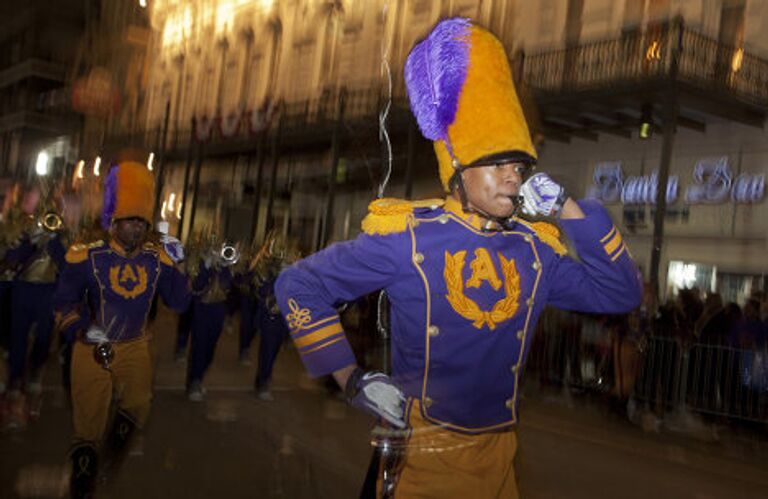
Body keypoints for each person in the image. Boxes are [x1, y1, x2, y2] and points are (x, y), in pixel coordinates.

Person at [275, 18, 642, 498]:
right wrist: (351, 378)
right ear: (459, 168)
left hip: (501, 458)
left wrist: (569, 209)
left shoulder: (536, 250)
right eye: (496, 162)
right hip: (425, 458)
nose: (512, 176)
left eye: (519, 165)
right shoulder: (406, 236)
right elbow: (298, 285)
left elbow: (621, 292)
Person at [53, 159, 189, 498]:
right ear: (114, 221)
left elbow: (181, 304)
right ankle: (82, 483)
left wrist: (181, 267)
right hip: (91, 346)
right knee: (88, 421)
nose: (137, 229)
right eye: (130, 222)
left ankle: (113, 453)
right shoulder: (86, 255)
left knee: (140, 403)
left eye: (142, 222)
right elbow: (63, 305)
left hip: (135, 345)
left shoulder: (158, 258)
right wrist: (81, 331)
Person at [186, 244, 233, 401]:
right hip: (201, 309)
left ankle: (199, 376)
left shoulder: (223, 266)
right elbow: (197, 286)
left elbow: (228, 286)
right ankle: (195, 381)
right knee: (199, 346)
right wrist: (206, 266)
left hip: (218, 311)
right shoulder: (198, 264)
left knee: (210, 349)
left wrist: (225, 267)